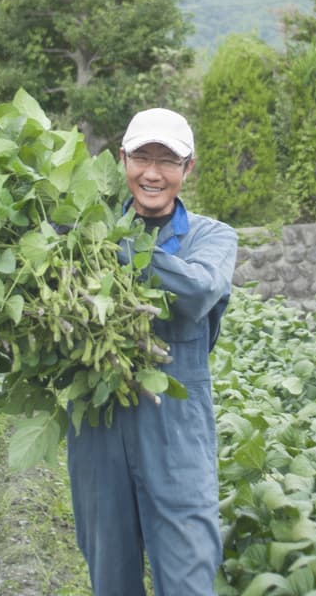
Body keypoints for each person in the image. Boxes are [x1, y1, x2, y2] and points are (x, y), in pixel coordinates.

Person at [66, 107, 238, 596]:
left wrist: (111, 245)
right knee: (112, 580)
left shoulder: (213, 237)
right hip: (99, 428)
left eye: (168, 160)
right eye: (142, 156)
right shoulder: (79, 233)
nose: (153, 173)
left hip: (176, 434)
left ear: (188, 168)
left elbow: (196, 292)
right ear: (122, 160)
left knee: (188, 578)